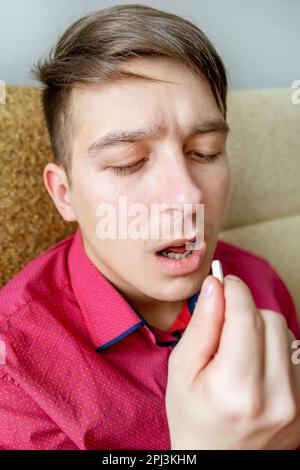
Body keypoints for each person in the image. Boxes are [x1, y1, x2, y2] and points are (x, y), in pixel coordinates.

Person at [0, 4, 299, 450]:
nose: (188, 197)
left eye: (205, 152)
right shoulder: (15, 371)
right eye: (129, 163)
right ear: (65, 194)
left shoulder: (261, 282)